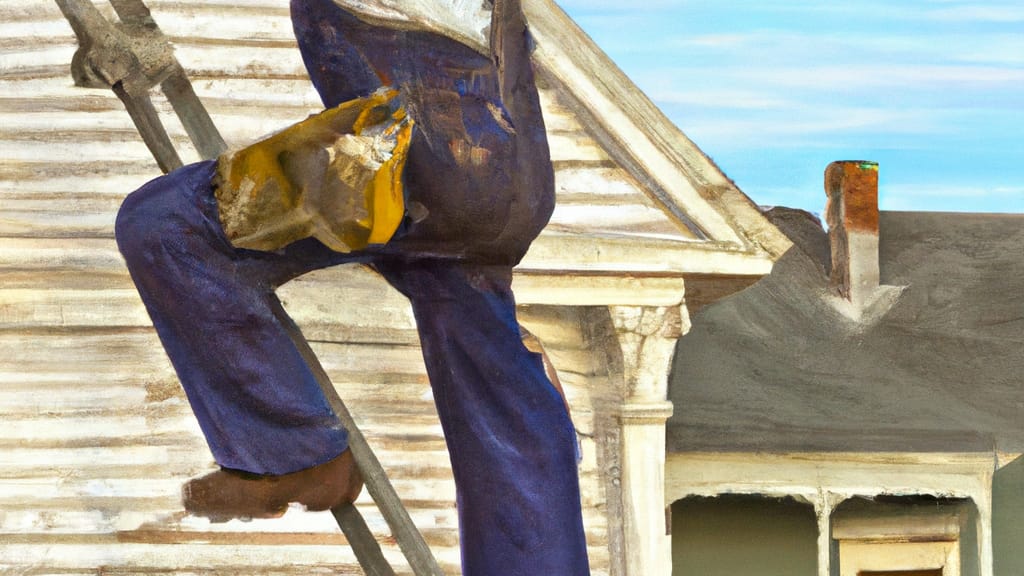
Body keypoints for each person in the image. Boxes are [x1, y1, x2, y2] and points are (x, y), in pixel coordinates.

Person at [114, 0, 591, 573]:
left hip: (414, 156)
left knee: (166, 224)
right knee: (489, 369)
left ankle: (292, 455)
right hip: (508, 178)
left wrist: (134, 41)